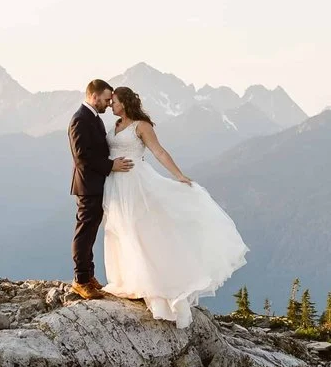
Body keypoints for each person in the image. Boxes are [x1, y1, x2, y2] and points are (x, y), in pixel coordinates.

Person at [98, 83, 250, 324]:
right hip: (115, 185)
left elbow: (159, 152)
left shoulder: (141, 126)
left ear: (125, 103)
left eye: (114, 101)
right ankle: (127, 279)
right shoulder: (114, 126)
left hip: (136, 182)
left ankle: (155, 284)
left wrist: (178, 175)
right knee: (119, 229)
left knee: (139, 230)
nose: (110, 105)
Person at [68, 78, 131, 297]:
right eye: (105, 99)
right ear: (94, 96)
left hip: (97, 184)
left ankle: (88, 275)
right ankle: (80, 279)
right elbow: (82, 157)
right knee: (85, 231)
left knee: (91, 230)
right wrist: (111, 165)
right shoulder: (80, 120)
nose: (107, 104)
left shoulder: (93, 118)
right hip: (87, 185)